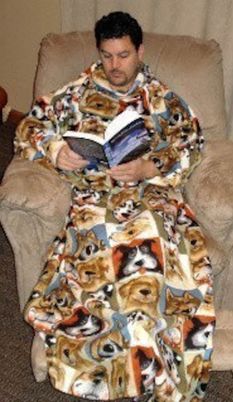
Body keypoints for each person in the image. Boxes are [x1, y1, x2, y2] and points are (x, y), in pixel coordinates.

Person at [15, 11, 215, 402]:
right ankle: (118, 367)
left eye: (123, 55)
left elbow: (191, 141)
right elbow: (30, 127)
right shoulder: (76, 92)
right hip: (95, 197)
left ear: (139, 50)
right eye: (107, 56)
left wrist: (148, 166)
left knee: (152, 240)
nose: (115, 65)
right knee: (101, 247)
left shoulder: (161, 97)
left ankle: (153, 361)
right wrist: (56, 151)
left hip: (149, 194)